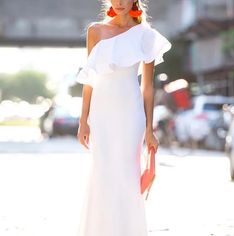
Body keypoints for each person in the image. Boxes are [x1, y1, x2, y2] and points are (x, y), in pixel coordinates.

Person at [76, 0, 171, 235]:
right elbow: (90, 79)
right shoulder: (95, 31)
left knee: (127, 175)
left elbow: (147, 88)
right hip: (101, 114)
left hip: (131, 114)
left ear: (134, 1)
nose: (119, 2)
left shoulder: (146, 36)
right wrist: (83, 120)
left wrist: (150, 129)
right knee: (103, 172)